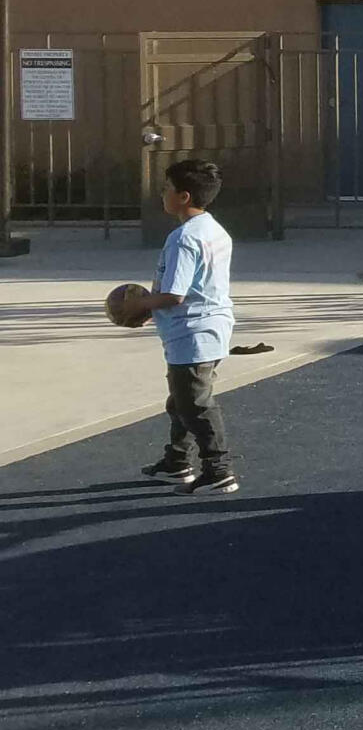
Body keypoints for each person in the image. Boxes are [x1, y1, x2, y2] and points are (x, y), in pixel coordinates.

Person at [133, 156, 239, 494]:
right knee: (180, 400)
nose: (161, 194)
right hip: (211, 327)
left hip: (192, 332)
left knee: (195, 405)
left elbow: (175, 294)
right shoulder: (214, 229)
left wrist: (139, 305)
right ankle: (177, 461)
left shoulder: (183, 238)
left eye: (166, 189)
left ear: (184, 197)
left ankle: (218, 469)